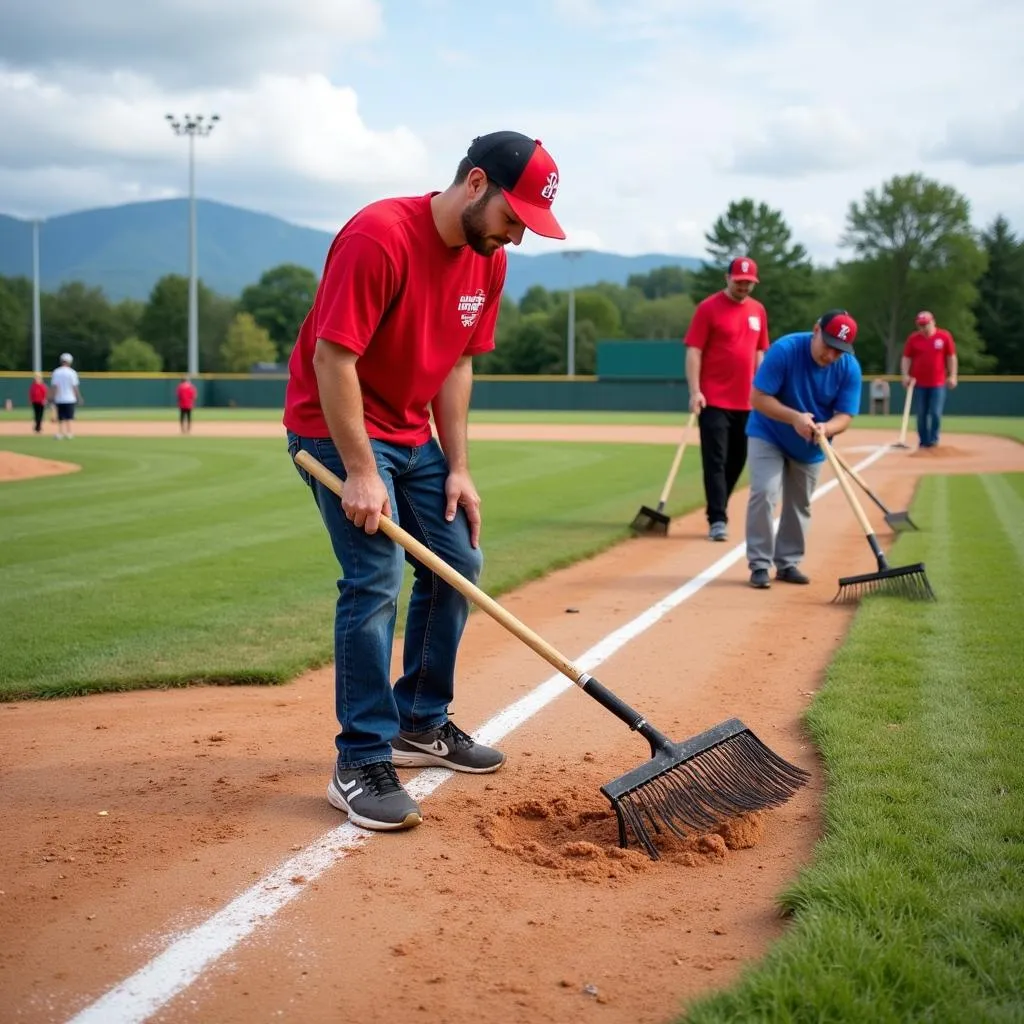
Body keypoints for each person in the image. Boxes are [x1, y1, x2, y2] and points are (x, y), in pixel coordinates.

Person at [283, 131, 566, 832]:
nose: (517, 238)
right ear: (476, 184)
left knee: (458, 560)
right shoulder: (378, 237)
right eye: (513, 218)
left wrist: (459, 466)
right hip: (336, 425)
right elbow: (333, 360)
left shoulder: (487, 260)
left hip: (411, 434)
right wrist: (357, 471)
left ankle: (420, 722)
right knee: (375, 576)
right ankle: (361, 759)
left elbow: (458, 364)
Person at [744, 310, 863, 589]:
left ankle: (787, 563)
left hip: (811, 442)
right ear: (816, 330)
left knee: (800, 504)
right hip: (769, 431)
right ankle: (760, 564)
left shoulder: (849, 368)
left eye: (840, 350)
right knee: (764, 491)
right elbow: (758, 398)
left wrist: (827, 428)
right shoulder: (785, 350)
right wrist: (794, 417)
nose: (831, 356)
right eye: (828, 346)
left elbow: (845, 415)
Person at [684, 256, 770, 542]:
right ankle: (717, 518)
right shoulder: (708, 308)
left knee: (738, 459)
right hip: (714, 399)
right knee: (715, 460)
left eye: (749, 283)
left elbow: (761, 352)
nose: (744, 286)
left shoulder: (758, 310)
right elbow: (694, 351)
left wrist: (765, 389)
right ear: (728, 278)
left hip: (748, 400)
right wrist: (695, 391)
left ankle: (718, 505)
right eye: (739, 281)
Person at [901, 311, 957, 449]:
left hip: (938, 382)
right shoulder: (913, 339)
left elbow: (951, 357)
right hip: (918, 383)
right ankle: (923, 442)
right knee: (921, 414)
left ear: (933, 322)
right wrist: (905, 375)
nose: (923, 328)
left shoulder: (944, 336)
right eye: (920, 325)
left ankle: (933, 440)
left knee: (935, 413)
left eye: (925, 324)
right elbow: (906, 358)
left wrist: (953, 375)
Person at [49, 353, 83, 439]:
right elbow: (74, 386)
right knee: (69, 417)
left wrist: (52, 397)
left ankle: (60, 433)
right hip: (70, 398)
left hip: (59, 398)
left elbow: (55, 386)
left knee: (61, 417)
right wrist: (79, 397)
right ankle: (69, 433)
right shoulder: (72, 372)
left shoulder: (56, 372)